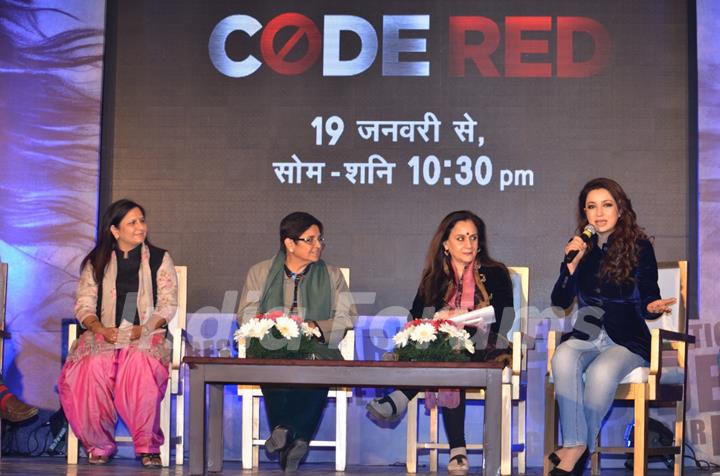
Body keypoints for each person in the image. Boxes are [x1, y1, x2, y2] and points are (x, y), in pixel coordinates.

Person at [366, 210, 515, 475]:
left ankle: (402, 396)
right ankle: (458, 450)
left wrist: (466, 318)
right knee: (441, 346)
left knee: (453, 348)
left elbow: (506, 316)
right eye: (460, 238)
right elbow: (415, 318)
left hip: (486, 343)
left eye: (473, 237)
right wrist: (442, 319)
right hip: (441, 346)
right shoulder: (433, 277)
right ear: (445, 243)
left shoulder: (496, 272)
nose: (469, 244)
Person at [548, 178, 676, 475]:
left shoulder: (639, 247)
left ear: (620, 209)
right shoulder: (581, 248)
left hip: (627, 340)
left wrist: (652, 307)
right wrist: (570, 266)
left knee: (600, 372)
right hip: (588, 334)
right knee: (563, 356)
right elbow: (560, 300)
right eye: (592, 206)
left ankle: (572, 451)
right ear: (585, 213)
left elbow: (649, 295)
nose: (599, 213)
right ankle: (579, 446)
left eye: (607, 205)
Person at [57, 199, 178, 467]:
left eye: (142, 221)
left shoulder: (160, 258)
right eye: (132, 222)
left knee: (139, 364)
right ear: (115, 230)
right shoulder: (95, 261)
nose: (140, 227)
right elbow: (84, 305)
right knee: (90, 366)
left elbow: (168, 304)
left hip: (146, 333)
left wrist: (142, 329)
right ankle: (98, 444)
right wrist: (100, 329)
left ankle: (148, 446)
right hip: (104, 333)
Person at [236, 212, 356, 472]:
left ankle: (284, 430)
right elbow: (245, 314)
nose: (318, 245)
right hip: (272, 345)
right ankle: (297, 436)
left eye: (320, 239)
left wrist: (315, 328)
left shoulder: (332, 275)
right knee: (269, 358)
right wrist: (274, 327)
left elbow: (347, 317)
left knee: (317, 365)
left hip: (315, 347)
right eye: (310, 240)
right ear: (290, 243)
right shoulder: (260, 272)